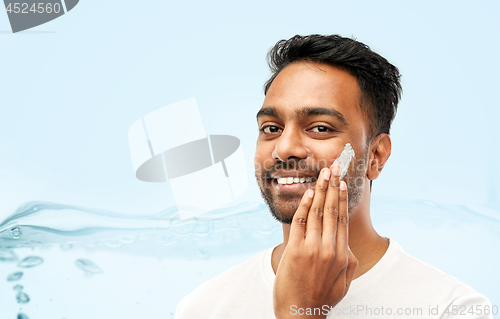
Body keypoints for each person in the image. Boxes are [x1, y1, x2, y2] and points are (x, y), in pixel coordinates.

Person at [174, 34, 492, 319]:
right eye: (271, 128)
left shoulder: (453, 309)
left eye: (320, 128)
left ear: (376, 156)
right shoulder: (203, 308)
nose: (284, 149)